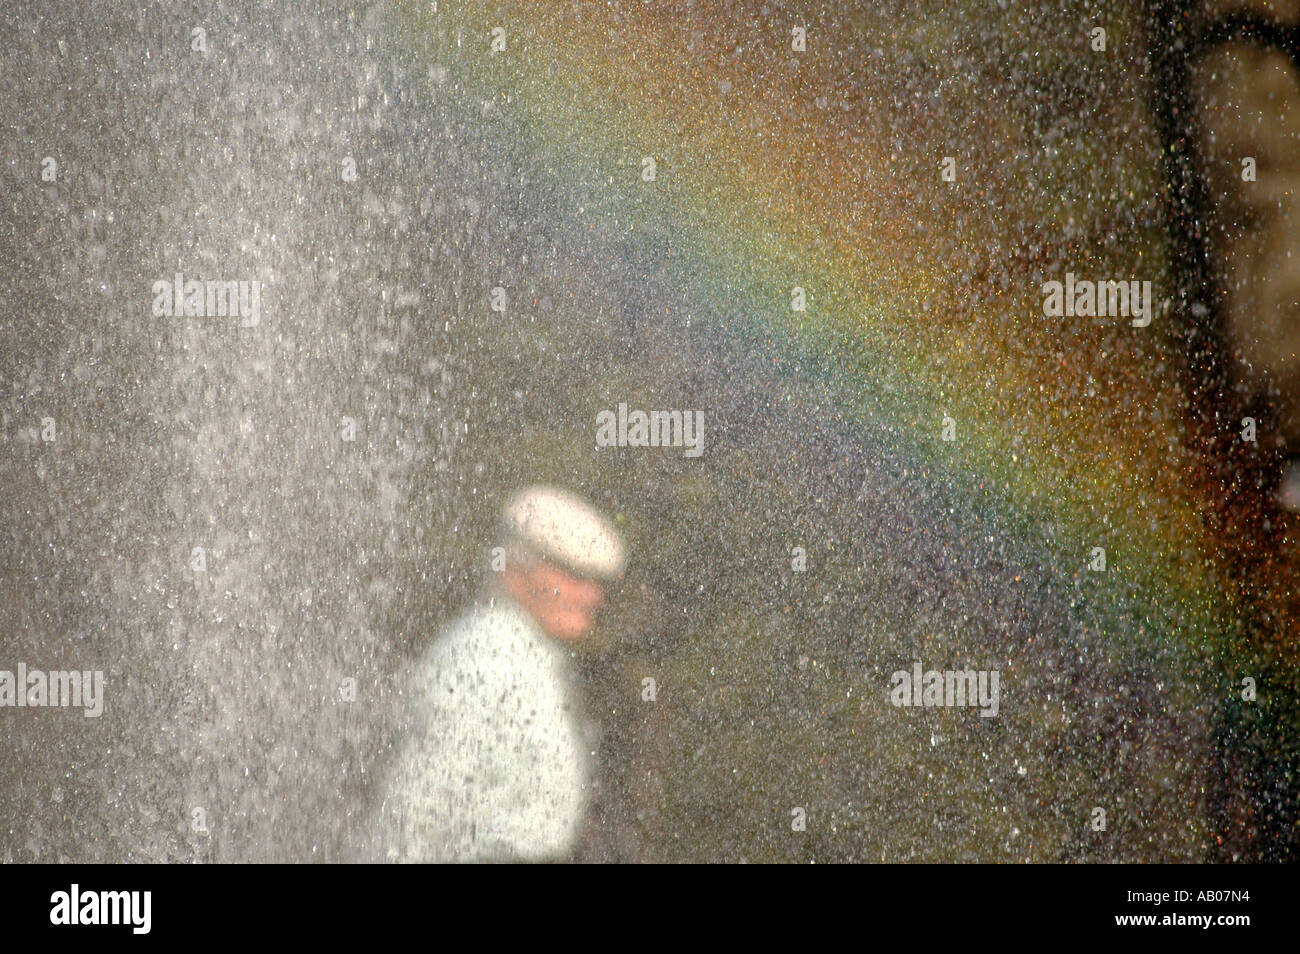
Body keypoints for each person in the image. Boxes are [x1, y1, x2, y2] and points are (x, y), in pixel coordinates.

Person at [372, 485, 625, 862]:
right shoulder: (486, 661)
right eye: (573, 575)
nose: (593, 596)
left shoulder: (527, 657)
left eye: (596, 582)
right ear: (514, 569)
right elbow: (413, 820)